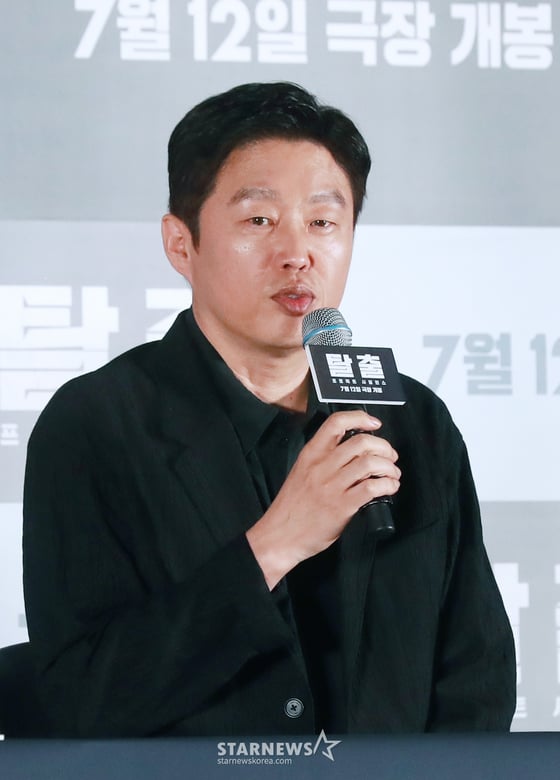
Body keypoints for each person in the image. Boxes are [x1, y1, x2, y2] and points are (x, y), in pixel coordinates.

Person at [23, 82, 515, 737]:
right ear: (181, 244)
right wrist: (273, 546)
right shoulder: (96, 424)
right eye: (259, 221)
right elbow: (78, 695)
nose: (297, 254)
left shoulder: (413, 421)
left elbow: (476, 682)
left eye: (323, 222)